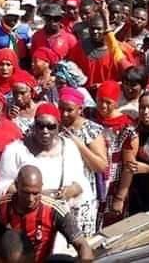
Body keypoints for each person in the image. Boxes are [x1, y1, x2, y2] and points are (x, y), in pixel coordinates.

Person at [0, 103, 95, 238]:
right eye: (40, 126)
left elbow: (80, 180)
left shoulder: (69, 147)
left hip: (63, 219)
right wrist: (36, 196)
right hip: (27, 221)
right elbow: (1, 186)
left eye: (51, 126)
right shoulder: (15, 150)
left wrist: (70, 191)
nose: (45, 131)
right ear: (34, 125)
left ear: (58, 127)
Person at [0, 165, 94, 262]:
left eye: (35, 193)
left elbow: (82, 245)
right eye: (26, 193)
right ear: (16, 186)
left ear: (42, 187)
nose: (31, 199)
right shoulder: (4, 205)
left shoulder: (54, 210)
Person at [58, 87, 107, 236]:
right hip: (60, 193)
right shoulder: (56, 126)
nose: (64, 114)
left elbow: (101, 165)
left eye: (69, 110)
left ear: (80, 109)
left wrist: (79, 145)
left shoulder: (91, 130)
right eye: (61, 109)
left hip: (83, 196)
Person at [90, 80, 137, 227]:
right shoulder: (89, 116)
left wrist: (120, 197)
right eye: (99, 101)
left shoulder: (127, 127)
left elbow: (129, 166)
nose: (103, 106)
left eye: (108, 102)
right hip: (91, 185)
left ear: (116, 102)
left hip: (113, 187)